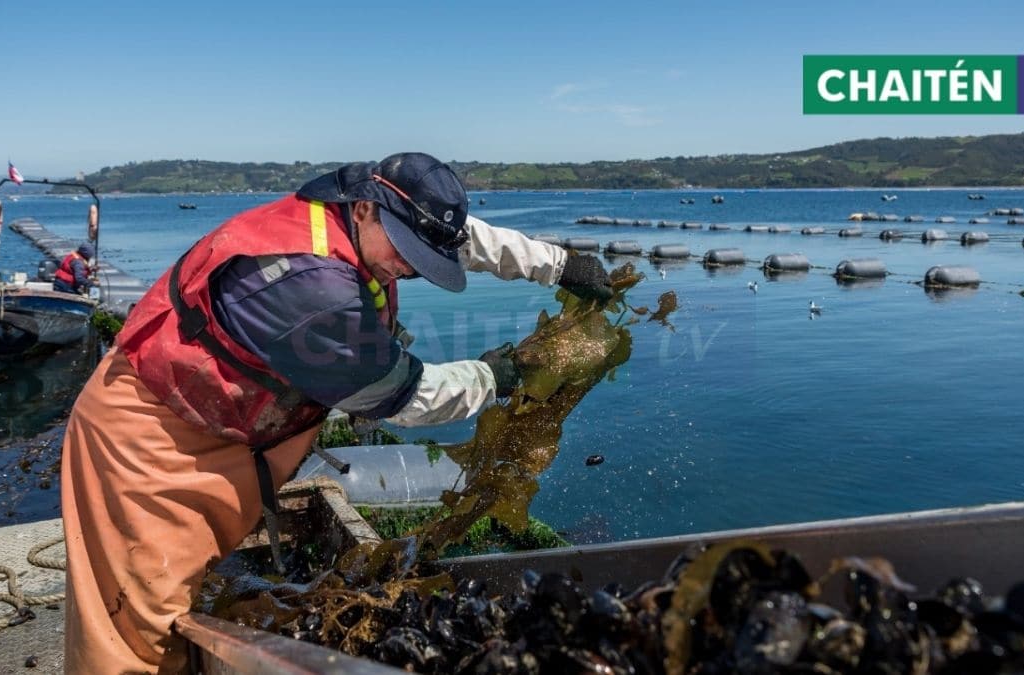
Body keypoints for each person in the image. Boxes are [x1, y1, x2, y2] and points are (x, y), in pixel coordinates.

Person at [59, 152, 612, 673]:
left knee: (187, 581)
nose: (407, 268)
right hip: (153, 438)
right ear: (368, 206)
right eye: (403, 252)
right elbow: (403, 395)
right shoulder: (307, 288)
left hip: (236, 426)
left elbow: (459, 238)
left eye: (421, 258)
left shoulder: (360, 213)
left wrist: (559, 265)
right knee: (137, 623)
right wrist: (497, 377)